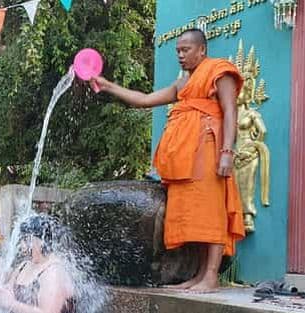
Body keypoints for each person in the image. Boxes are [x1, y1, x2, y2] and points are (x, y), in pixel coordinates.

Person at [92, 28, 245, 293]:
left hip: (209, 151)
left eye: (185, 50)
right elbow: (144, 100)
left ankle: (211, 276)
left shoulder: (220, 72)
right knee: (194, 217)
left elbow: (231, 111)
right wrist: (108, 85)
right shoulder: (182, 84)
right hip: (184, 160)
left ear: (202, 50)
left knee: (211, 213)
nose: (180, 56)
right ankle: (199, 276)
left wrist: (227, 153)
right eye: (177, 51)